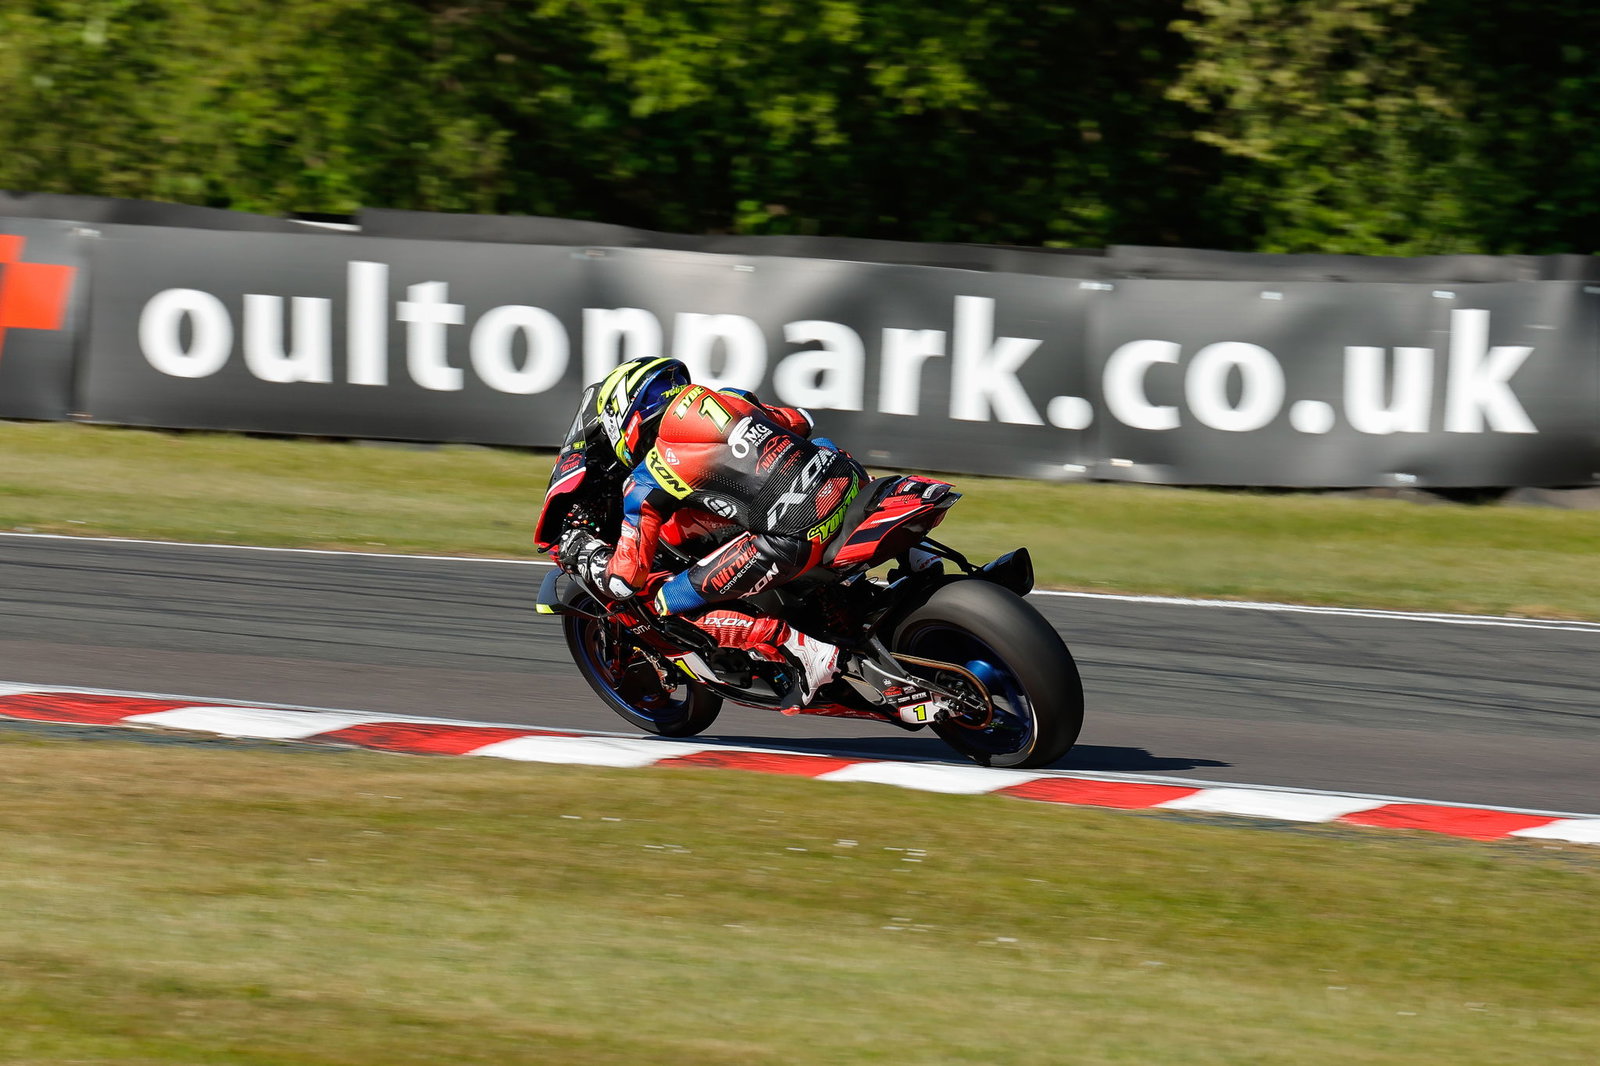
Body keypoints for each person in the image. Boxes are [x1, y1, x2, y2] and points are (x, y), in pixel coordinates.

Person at [551, 357, 866, 708]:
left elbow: (626, 580)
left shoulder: (648, 475)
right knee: (817, 447)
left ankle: (802, 648)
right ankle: (916, 562)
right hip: (849, 482)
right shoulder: (731, 398)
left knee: (665, 604)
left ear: (621, 418)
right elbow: (801, 420)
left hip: (795, 535)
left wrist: (591, 558)